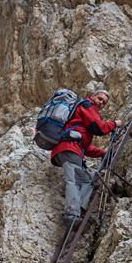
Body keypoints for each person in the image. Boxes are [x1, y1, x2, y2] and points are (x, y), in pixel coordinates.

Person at [51, 89, 122, 226]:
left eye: (104, 103)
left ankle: (79, 211)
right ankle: (72, 213)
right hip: (69, 149)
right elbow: (98, 128)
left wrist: (102, 153)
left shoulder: (82, 119)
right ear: (93, 96)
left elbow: (85, 147)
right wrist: (115, 124)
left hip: (72, 149)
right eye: (100, 99)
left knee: (87, 181)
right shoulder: (87, 105)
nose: (101, 103)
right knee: (74, 180)